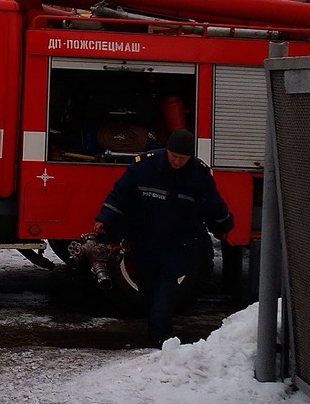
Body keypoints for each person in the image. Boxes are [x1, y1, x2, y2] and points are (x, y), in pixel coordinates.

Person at [92, 128, 234, 348]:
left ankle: (161, 340)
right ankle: (155, 335)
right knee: (148, 291)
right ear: (167, 151)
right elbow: (120, 195)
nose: (177, 161)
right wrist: (104, 220)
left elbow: (213, 204)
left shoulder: (198, 175)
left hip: (176, 243)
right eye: (174, 156)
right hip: (143, 241)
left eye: (182, 158)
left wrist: (224, 225)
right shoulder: (144, 167)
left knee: (165, 293)